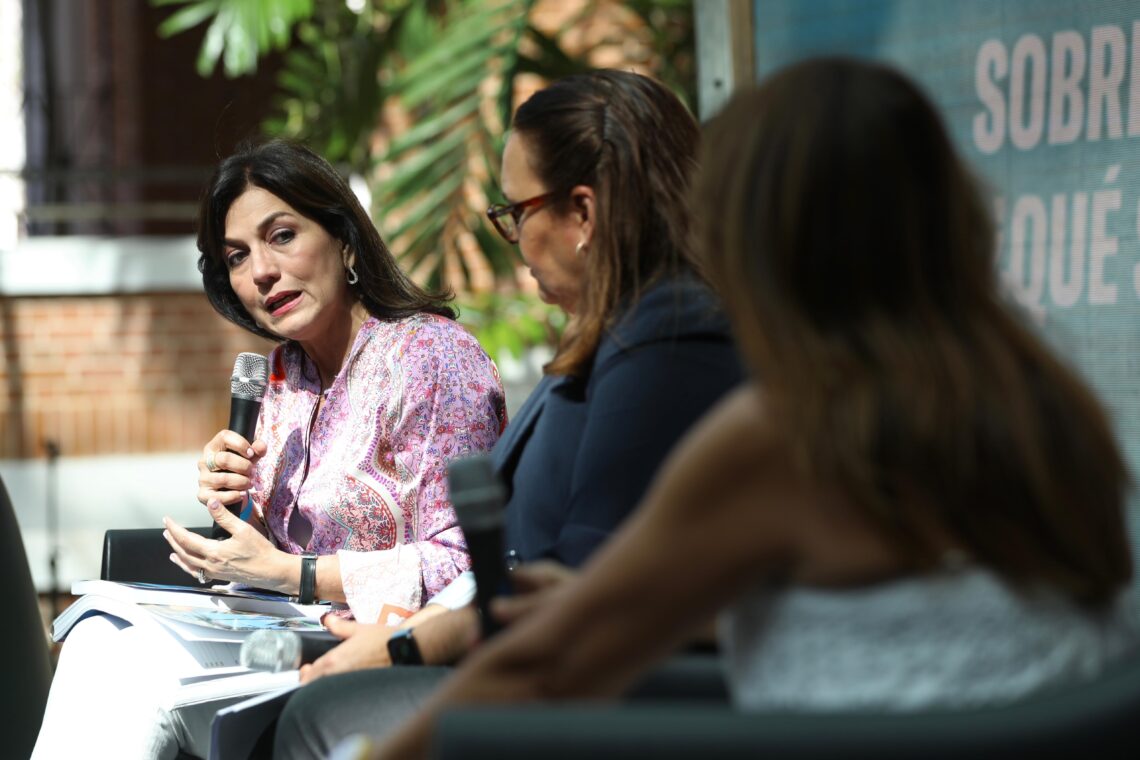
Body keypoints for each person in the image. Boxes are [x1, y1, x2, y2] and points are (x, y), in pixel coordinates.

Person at [374, 57, 1140, 758]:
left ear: (759, 233)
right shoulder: (1049, 408)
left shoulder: (788, 436)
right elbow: (932, 621)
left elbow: (542, 671)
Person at [270, 69, 744, 759]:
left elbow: (584, 593)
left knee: (316, 716)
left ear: (582, 215)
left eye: (516, 212)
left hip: (577, 697)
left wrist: (412, 645)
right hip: (507, 651)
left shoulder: (667, 344)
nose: (514, 241)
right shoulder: (634, 332)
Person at [32, 139, 507, 760]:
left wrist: (295, 575)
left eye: (281, 236)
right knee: (102, 636)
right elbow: (278, 546)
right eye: (237, 256)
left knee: (126, 669)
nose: (260, 271)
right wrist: (237, 509)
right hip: (276, 635)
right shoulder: (283, 376)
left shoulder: (434, 360)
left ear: (344, 238)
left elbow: (469, 564)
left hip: (391, 650)